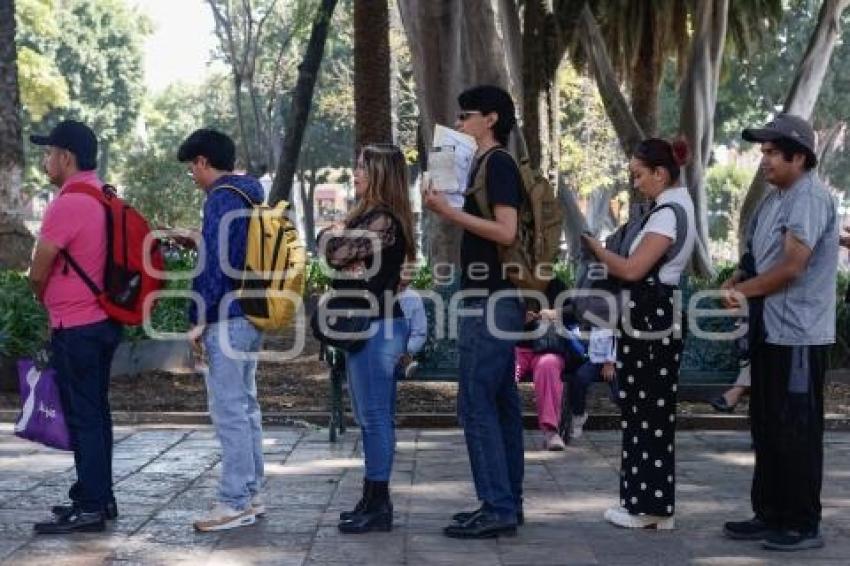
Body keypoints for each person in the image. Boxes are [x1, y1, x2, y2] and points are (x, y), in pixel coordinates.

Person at [721, 113, 838, 551]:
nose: (764, 159)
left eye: (772, 152)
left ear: (799, 157)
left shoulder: (809, 197)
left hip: (799, 336)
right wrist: (739, 277)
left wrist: (743, 292)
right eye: (763, 151)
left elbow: (791, 267)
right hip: (769, 332)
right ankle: (769, 513)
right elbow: (759, 257)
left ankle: (802, 523)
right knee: (768, 427)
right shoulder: (774, 199)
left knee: (797, 430)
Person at [423, 85, 525, 539]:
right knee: (499, 402)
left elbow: (506, 232)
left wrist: (449, 212)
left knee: (475, 403)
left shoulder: (498, 163)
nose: (459, 122)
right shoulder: (483, 164)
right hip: (492, 297)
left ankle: (498, 506)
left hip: (492, 299)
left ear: (491, 119)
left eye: (467, 115)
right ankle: (505, 503)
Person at [582, 137, 696, 530]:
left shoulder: (666, 213)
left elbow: (632, 269)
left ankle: (649, 506)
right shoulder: (676, 206)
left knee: (647, 412)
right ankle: (646, 503)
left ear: (660, 173)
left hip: (651, 317)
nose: (635, 183)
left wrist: (597, 249)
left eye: (639, 175)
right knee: (646, 410)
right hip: (654, 315)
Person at [28, 120, 123, 534]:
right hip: (103, 322)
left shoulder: (67, 203)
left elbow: (38, 271)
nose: (45, 160)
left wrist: (43, 297)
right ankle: (99, 497)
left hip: (77, 326)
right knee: (96, 413)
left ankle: (90, 507)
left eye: (48, 153)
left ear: (66, 157)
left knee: (84, 417)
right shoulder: (103, 194)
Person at [319, 144, 416, 534]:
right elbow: (333, 251)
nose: (355, 173)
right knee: (371, 418)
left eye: (363, 167)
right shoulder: (371, 218)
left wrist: (337, 236)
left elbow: (334, 252)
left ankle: (379, 505)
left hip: (378, 328)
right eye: (356, 165)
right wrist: (337, 239)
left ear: (381, 174)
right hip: (371, 326)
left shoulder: (383, 220)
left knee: (374, 419)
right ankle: (372, 499)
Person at [177, 129, 267, 532]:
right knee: (246, 407)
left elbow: (215, 266)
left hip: (226, 316)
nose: (192, 176)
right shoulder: (249, 193)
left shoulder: (220, 198)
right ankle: (251, 493)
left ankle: (233, 501)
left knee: (229, 411)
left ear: (202, 161)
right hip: (251, 312)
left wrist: (198, 317)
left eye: (191, 168)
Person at [514, 278, 577, 451]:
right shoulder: (514, 283)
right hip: (518, 348)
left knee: (548, 365)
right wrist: (519, 319)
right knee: (505, 370)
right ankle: (503, 427)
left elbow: (576, 310)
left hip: (548, 347)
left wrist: (554, 313)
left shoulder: (556, 285)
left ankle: (550, 431)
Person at [569, 328, 619, 439]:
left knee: (619, 395)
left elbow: (615, 336)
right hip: (594, 361)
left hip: (614, 362)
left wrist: (610, 362)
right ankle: (578, 416)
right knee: (579, 379)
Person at [395, 276, 427, 380]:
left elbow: (420, 333)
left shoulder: (413, 297)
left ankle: (404, 365)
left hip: (403, 349)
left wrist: (407, 351)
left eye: (404, 285)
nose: (399, 288)